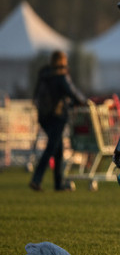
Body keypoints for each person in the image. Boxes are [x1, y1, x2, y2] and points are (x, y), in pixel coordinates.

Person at [30, 50, 88, 192]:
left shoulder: (43, 73)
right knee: (52, 147)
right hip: (57, 116)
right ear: (63, 60)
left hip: (43, 116)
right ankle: (36, 179)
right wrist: (84, 102)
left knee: (58, 148)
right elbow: (72, 92)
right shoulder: (61, 75)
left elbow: (36, 94)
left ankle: (58, 183)